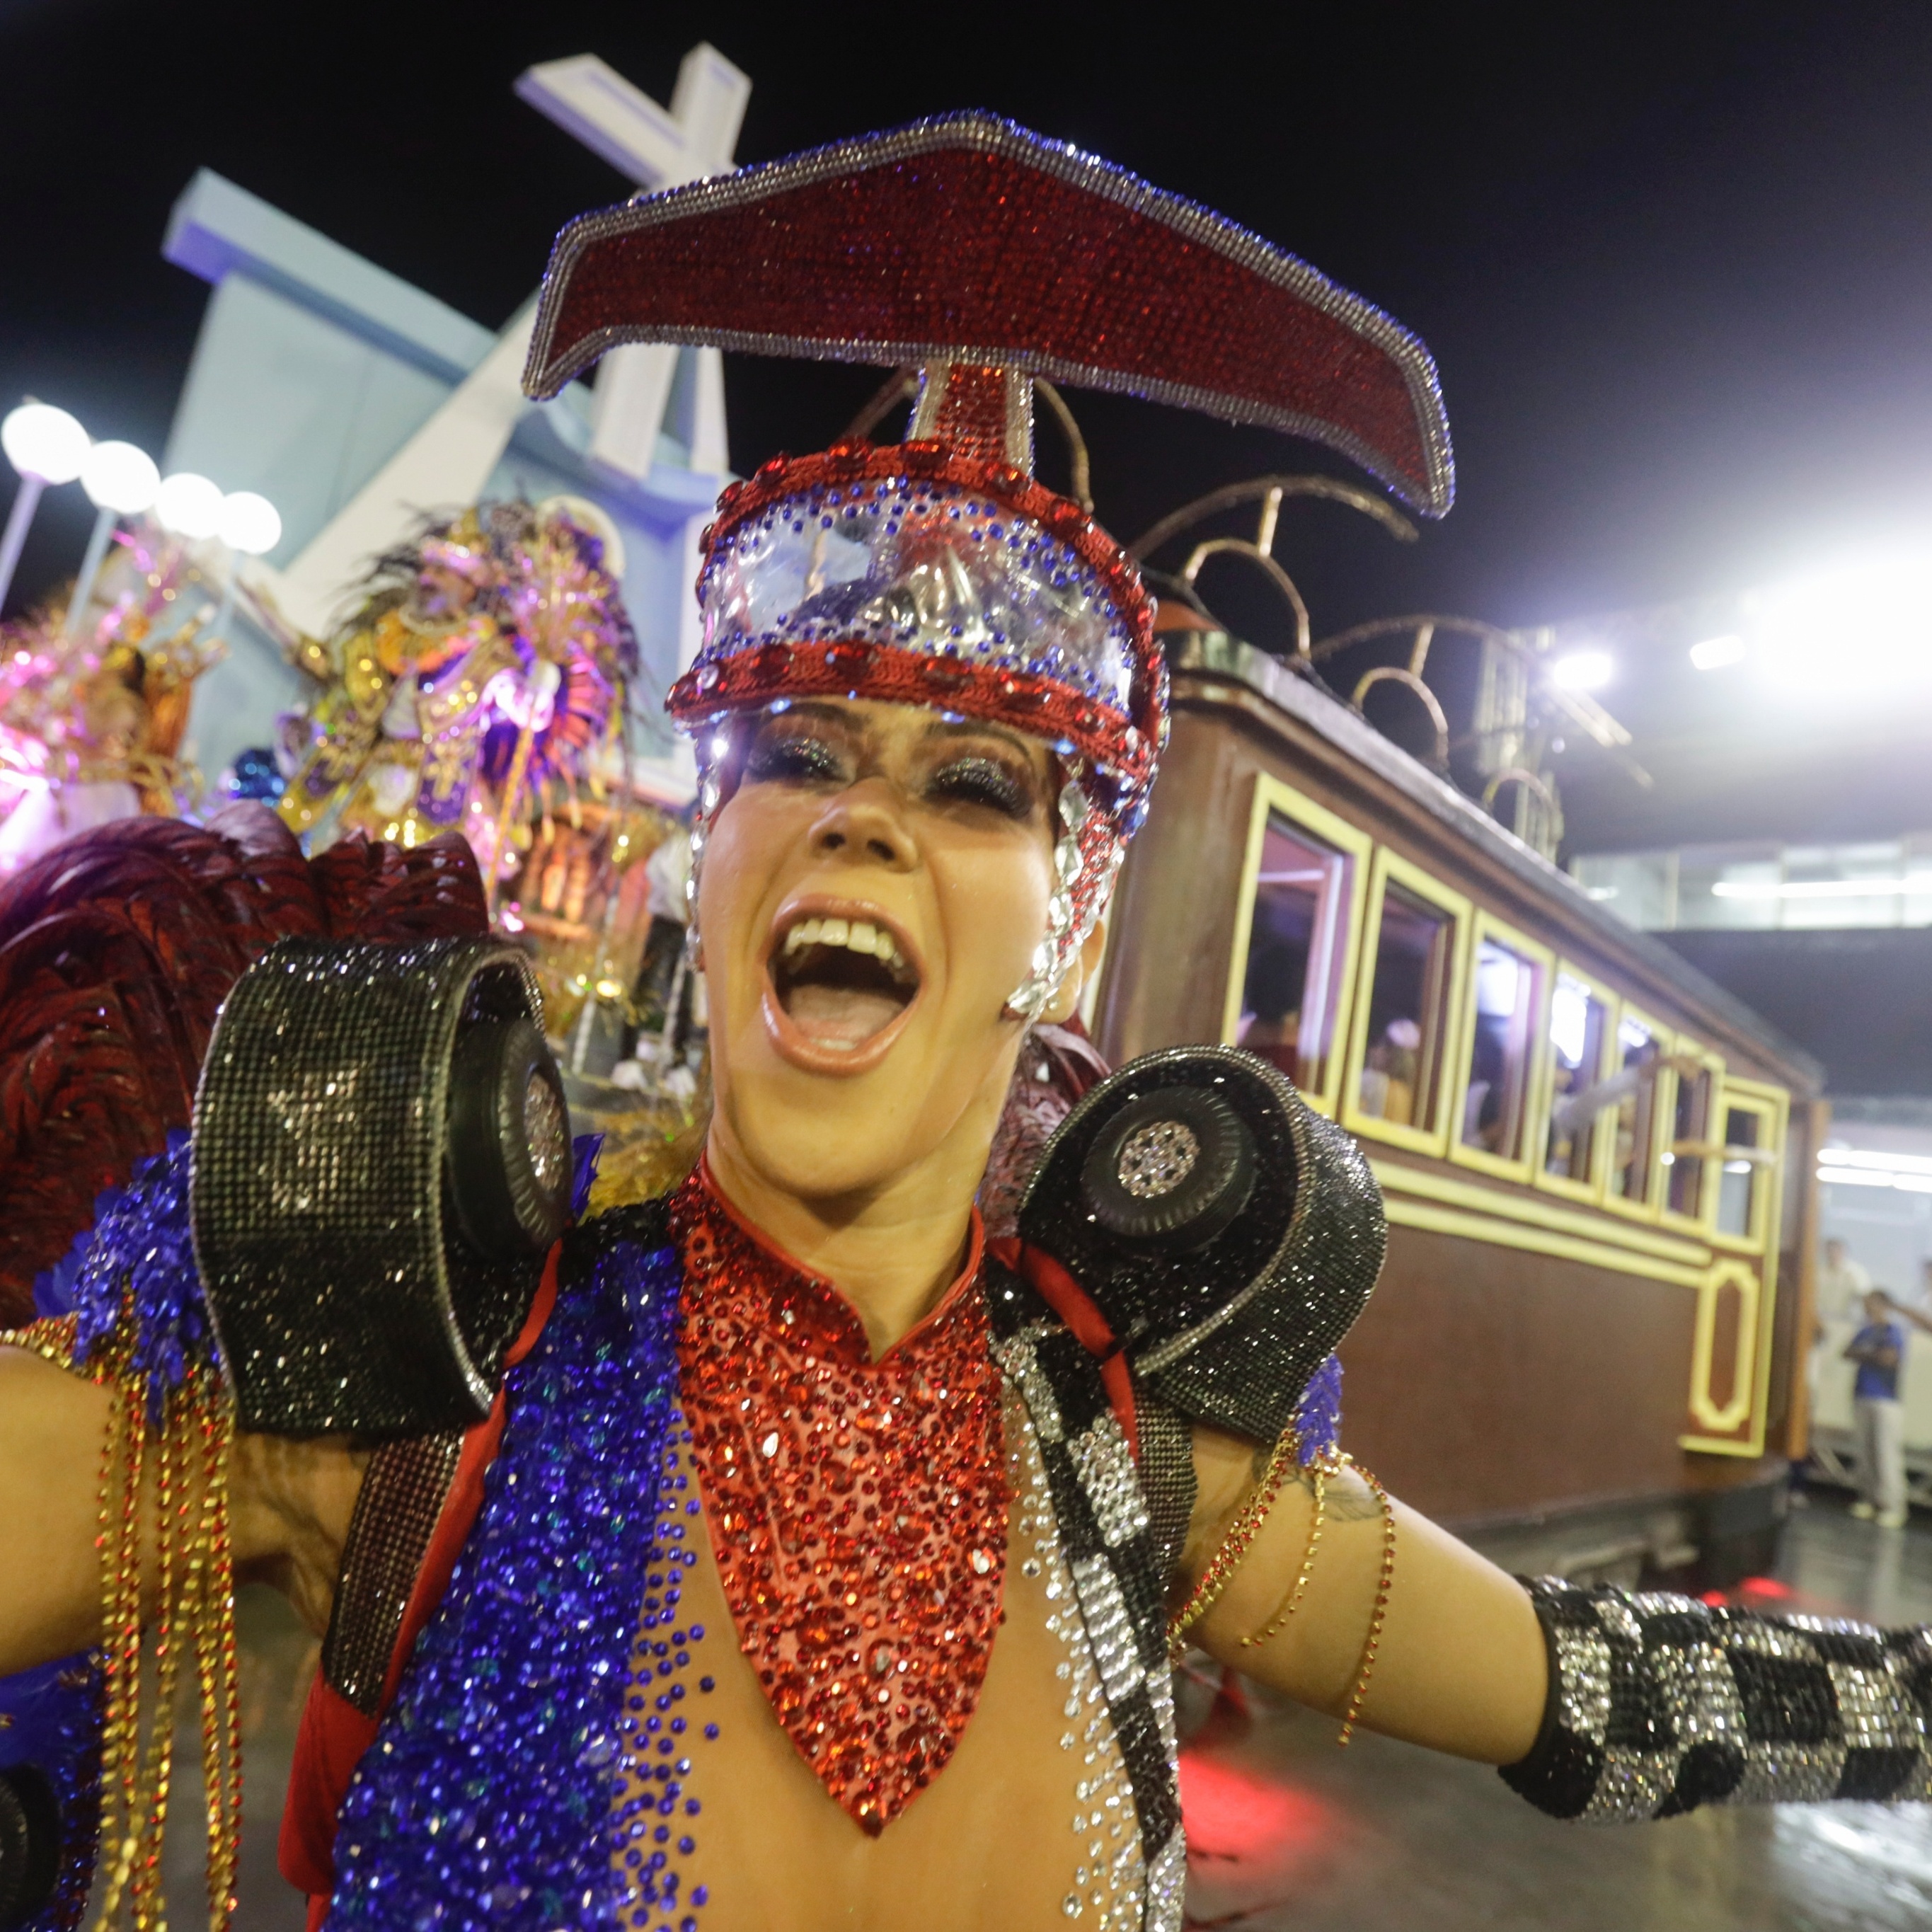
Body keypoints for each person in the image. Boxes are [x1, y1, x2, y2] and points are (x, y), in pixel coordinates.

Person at [4, 113, 1932, 1932]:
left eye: (977, 787)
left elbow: (1563, 1677)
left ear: (1070, 916)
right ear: (713, 863)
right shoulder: (432, 1385)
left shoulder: (1122, 1448)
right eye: (799, 755)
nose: (861, 813)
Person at [1846, 1291, 1910, 1529]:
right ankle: (1868, 1499)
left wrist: (1866, 1354)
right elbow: (1847, 1352)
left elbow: (1890, 1358)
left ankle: (1893, 1506)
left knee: (1886, 1454)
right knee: (1864, 1452)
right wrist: (1871, 1354)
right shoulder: (1866, 1331)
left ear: (1883, 1305)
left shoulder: (1892, 1331)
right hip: (1861, 1395)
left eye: (1871, 1302)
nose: (1867, 1306)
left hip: (1885, 1399)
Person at [1819, 1237, 1874, 1326]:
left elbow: (1865, 1297)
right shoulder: (1817, 1271)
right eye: (1829, 1251)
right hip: (1818, 1321)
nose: (1832, 1254)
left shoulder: (1856, 1273)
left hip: (1845, 1323)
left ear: (1843, 1252)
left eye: (1836, 1251)